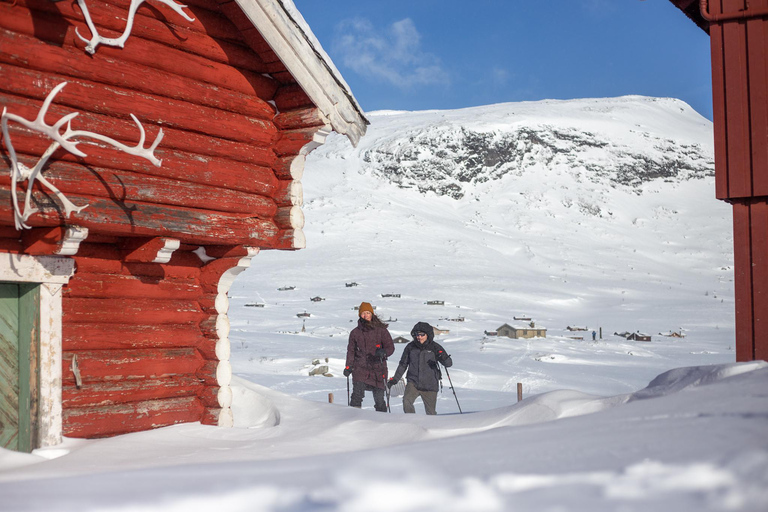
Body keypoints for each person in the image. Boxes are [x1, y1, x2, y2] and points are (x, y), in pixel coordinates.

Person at [387, 321, 452, 415]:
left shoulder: (435, 347)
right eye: (417, 335)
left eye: (422, 335)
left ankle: (431, 428)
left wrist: (443, 357)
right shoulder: (410, 347)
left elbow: (449, 364)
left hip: (430, 385)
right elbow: (403, 365)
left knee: (431, 413)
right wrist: (395, 379)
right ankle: (412, 423)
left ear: (428, 335)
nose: (419, 337)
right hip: (413, 383)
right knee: (406, 402)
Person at [344, 302, 395, 411]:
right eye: (363, 313)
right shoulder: (355, 333)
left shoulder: (381, 330)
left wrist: (384, 352)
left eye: (368, 313)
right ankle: (353, 419)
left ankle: (382, 421)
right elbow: (351, 351)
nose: (365, 315)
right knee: (356, 396)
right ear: (359, 315)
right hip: (360, 369)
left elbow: (390, 347)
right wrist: (348, 367)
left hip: (378, 369)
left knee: (379, 399)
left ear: (372, 314)